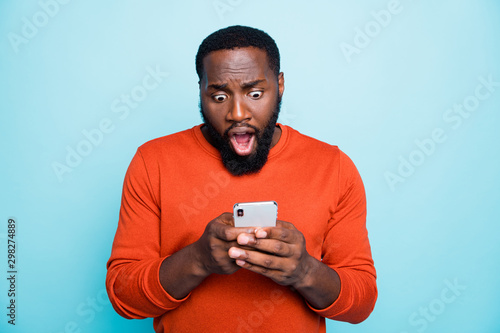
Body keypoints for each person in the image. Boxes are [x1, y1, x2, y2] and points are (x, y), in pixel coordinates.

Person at [106, 25, 377, 332]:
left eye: (255, 93)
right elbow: (123, 297)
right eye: (219, 95)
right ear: (201, 91)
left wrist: (304, 271)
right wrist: (198, 260)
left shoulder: (333, 167)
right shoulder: (152, 162)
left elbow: (361, 303)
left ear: (281, 84)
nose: (237, 113)